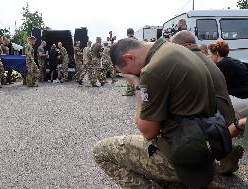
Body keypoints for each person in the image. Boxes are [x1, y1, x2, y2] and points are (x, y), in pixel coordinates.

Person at [93, 38, 225, 188]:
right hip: (204, 144)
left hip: (181, 155)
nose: (134, 74)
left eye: (129, 72)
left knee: (101, 152)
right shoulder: (175, 49)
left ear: (128, 57)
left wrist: (137, 84)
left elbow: (148, 132)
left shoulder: (152, 70)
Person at [171, 31, 246, 174]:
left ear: (181, 46)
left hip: (215, 118)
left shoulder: (189, 61)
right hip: (226, 113)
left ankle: (208, 158)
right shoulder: (207, 60)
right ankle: (227, 153)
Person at [123, 28, 137, 96]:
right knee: (136, 75)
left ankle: (129, 91)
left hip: (129, 61)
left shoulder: (125, 41)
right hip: (136, 61)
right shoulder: (137, 40)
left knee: (129, 75)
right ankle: (135, 90)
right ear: (133, 33)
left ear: (127, 33)